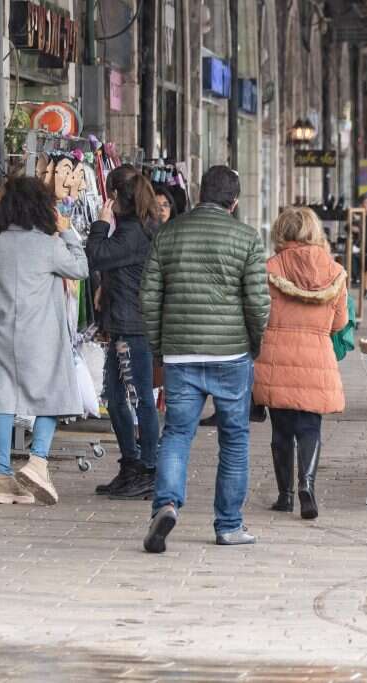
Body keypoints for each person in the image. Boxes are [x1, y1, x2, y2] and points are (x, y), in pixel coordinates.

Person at [139, 165, 270, 553]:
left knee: (177, 433)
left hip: (180, 352)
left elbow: (149, 298)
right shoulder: (247, 238)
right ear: (234, 201)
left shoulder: (168, 234)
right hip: (231, 353)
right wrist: (254, 343)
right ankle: (228, 525)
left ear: (199, 194)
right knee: (234, 438)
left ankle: (166, 504)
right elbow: (258, 303)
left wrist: (160, 346)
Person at [0, 176, 89, 506]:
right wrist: (67, 232)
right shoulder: (48, 243)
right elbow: (80, 269)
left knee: (3, 402)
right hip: (43, 337)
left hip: (1, 334)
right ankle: (37, 462)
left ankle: (4, 480)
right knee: (53, 396)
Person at [253, 207, 348, 520]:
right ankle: (307, 483)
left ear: (281, 232)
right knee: (310, 428)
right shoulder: (335, 271)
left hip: (276, 359)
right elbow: (339, 323)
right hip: (316, 358)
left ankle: (285, 496)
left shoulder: (270, 268)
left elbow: (258, 314)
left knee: (281, 430)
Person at [86, 165, 161, 500]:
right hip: (123, 324)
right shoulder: (136, 227)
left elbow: (96, 255)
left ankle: (148, 468)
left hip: (133, 328)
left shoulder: (133, 231)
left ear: (115, 196)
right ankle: (132, 464)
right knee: (116, 398)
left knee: (139, 398)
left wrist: (100, 224)